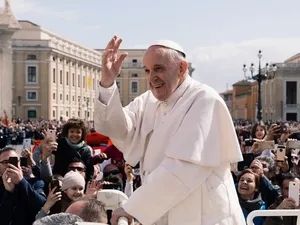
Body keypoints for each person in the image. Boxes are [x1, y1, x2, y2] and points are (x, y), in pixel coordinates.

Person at [95, 36, 245, 225]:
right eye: (147, 71)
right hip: (163, 211)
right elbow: (116, 129)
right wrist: (108, 84)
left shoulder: (204, 99)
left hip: (204, 214)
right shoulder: (147, 101)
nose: (151, 78)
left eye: (159, 69)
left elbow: (184, 167)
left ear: (181, 68)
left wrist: (134, 207)